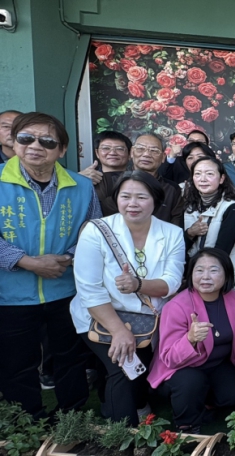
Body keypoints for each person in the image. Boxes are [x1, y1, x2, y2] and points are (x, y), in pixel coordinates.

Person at [0, 112, 101, 416]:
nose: (35, 146)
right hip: (12, 292)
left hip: (65, 288)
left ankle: (73, 416)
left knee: (70, 358)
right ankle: (27, 423)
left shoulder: (81, 186)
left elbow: (91, 229)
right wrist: (27, 261)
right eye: (26, 138)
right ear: (14, 142)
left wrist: (68, 258)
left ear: (62, 149)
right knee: (17, 363)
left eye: (46, 141)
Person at [71, 171, 184, 425]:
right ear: (116, 199)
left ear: (156, 200)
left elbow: (171, 282)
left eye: (141, 197)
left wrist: (138, 284)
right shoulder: (96, 231)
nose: (132, 203)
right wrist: (119, 331)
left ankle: (118, 406)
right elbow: (90, 289)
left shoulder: (172, 233)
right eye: (126, 196)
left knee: (136, 373)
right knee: (123, 368)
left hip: (147, 320)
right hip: (100, 316)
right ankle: (124, 434)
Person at [148, 248, 235, 433]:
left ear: (227, 274)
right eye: (199, 270)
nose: (205, 277)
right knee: (192, 382)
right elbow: (169, 357)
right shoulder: (176, 306)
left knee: (233, 394)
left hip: (216, 364)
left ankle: (206, 404)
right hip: (181, 368)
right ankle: (187, 425)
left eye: (213, 270)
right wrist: (190, 339)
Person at [184, 157, 235, 292]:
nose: (203, 179)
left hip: (225, 281)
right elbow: (182, 248)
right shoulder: (190, 207)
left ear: (222, 178)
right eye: (198, 174)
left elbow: (221, 252)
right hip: (197, 280)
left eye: (209, 174)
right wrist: (190, 233)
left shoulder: (232, 208)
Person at [130, 134, 185, 228]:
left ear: (163, 157)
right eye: (140, 148)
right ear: (131, 152)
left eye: (154, 151)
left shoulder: (172, 189)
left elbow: (176, 226)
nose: (146, 154)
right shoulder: (117, 182)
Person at [79, 131, 133, 214]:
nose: (112, 153)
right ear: (97, 153)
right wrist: (77, 180)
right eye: (106, 148)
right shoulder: (84, 178)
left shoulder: (137, 180)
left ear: (129, 154)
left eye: (119, 149)